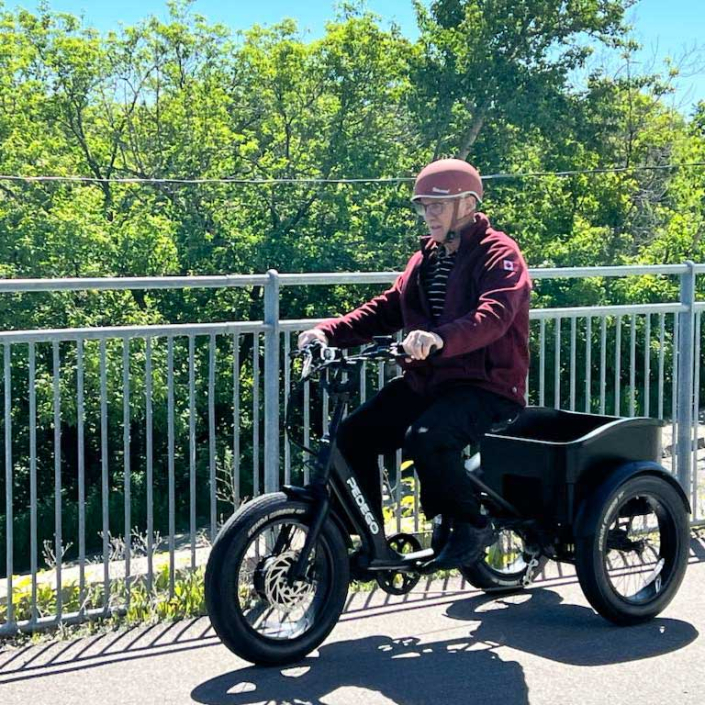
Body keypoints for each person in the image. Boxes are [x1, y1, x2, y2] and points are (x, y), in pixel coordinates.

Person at [297, 158, 532, 569]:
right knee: (353, 436)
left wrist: (441, 337)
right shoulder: (425, 259)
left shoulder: (500, 253)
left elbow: (493, 315)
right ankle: (366, 543)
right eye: (425, 205)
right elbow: (388, 308)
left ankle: (471, 524)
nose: (430, 214)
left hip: (486, 384)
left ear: (469, 205)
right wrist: (328, 332)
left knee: (427, 437)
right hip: (429, 381)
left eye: (440, 205)